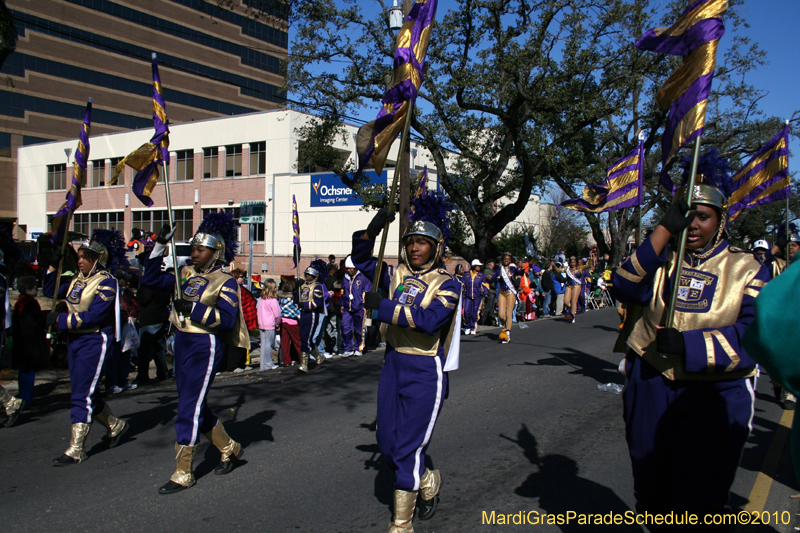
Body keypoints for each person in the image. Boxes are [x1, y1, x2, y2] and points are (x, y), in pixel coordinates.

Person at [612, 156, 769, 527]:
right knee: (651, 493)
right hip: (651, 380)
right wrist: (665, 228)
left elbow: (754, 337)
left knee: (698, 500)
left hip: (714, 393)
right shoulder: (662, 257)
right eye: (687, 214)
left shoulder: (747, 267)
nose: (693, 225)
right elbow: (624, 284)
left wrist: (690, 347)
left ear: (720, 220)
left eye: (703, 216)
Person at [353, 207, 460, 533]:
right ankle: (427, 478)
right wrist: (370, 231)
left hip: (425, 369)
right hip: (393, 364)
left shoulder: (449, 285)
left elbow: (428, 322)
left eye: (422, 242)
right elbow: (361, 261)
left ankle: (401, 524)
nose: (414, 248)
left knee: (409, 448)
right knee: (387, 445)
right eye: (410, 241)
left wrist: (382, 306)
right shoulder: (394, 273)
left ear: (436, 247)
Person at [141, 212, 248, 494]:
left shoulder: (226, 281)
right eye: (193, 248)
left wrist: (194, 309)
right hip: (183, 343)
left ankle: (183, 471)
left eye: (201, 249)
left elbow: (226, 320)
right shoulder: (185, 275)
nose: (195, 253)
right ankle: (229, 447)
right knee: (194, 405)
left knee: (188, 407)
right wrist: (159, 246)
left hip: (205, 345)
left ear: (217, 252)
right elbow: (151, 279)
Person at [43, 230, 130, 466]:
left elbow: (94, 316)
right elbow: (50, 291)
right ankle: (115, 424)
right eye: (79, 256)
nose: (79, 260)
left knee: (81, 394)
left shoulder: (107, 282)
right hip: (75, 341)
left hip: (94, 341)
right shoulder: (77, 279)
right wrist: (53, 265)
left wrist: (60, 321)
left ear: (98, 259)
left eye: (85, 257)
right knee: (84, 390)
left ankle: (76, 448)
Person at [8, 275, 46, 427]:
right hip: (28, 344)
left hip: (22, 343)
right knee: (27, 373)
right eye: (34, 287)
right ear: (28, 289)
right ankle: (26, 400)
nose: (36, 290)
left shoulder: (20, 303)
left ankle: (25, 398)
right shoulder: (30, 304)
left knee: (24, 373)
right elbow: (33, 324)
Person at [105, 275, 138, 393]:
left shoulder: (128, 294)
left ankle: (122, 380)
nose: (124, 286)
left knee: (125, 356)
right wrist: (124, 316)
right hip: (115, 329)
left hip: (126, 327)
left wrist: (133, 315)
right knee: (114, 357)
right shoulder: (112, 295)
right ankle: (111, 383)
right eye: (121, 284)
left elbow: (134, 305)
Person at [298, 259, 329, 372]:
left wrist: (304, 305)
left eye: (309, 275)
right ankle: (319, 356)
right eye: (306, 275)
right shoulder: (303, 286)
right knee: (305, 338)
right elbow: (299, 299)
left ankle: (304, 365)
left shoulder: (317, 287)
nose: (307, 277)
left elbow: (317, 303)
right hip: (303, 314)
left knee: (307, 339)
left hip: (312, 315)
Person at [341, 255, 371, 357]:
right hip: (347, 308)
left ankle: (359, 348)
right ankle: (348, 349)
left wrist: (366, 305)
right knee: (345, 328)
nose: (349, 270)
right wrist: (342, 304)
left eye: (351, 269)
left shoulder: (363, 277)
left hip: (360, 308)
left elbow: (368, 292)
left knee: (359, 330)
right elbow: (343, 291)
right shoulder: (345, 278)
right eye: (347, 268)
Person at [257, 279, 281, 370]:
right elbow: (277, 314)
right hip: (270, 324)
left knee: (263, 344)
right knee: (269, 345)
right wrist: (277, 324)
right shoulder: (273, 301)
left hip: (262, 323)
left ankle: (263, 364)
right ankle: (268, 364)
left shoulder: (261, 299)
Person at [494, 253, 518, 344]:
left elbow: (519, 273)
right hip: (502, 292)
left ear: (510, 260)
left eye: (508, 259)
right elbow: (492, 278)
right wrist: (489, 278)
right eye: (505, 259)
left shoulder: (512, 269)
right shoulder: (499, 269)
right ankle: (504, 327)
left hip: (510, 292)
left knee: (509, 313)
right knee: (501, 315)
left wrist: (521, 268)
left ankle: (507, 332)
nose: (506, 260)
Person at [278, 280, 302, 367]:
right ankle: (303, 359)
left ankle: (286, 361)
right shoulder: (293, 298)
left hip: (283, 321)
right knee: (298, 341)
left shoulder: (281, 298)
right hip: (292, 321)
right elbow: (296, 311)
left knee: (285, 342)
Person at [461, 259, 488, 335]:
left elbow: (485, 285)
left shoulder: (481, 276)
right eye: (478, 266)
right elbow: (462, 284)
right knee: (466, 312)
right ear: (473, 266)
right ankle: (467, 326)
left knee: (475, 312)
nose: (479, 267)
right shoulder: (466, 275)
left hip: (477, 296)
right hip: (467, 296)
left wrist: (486, 292)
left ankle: (473, 327)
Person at [482, 259, 497, 326]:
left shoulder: (492, 271)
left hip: (493, 291)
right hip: (490, 291)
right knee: (488, 306)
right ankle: (484, 320)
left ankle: (489, 319)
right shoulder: (487, 271)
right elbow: (490, 281)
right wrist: (495, 284)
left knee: (492, 306)